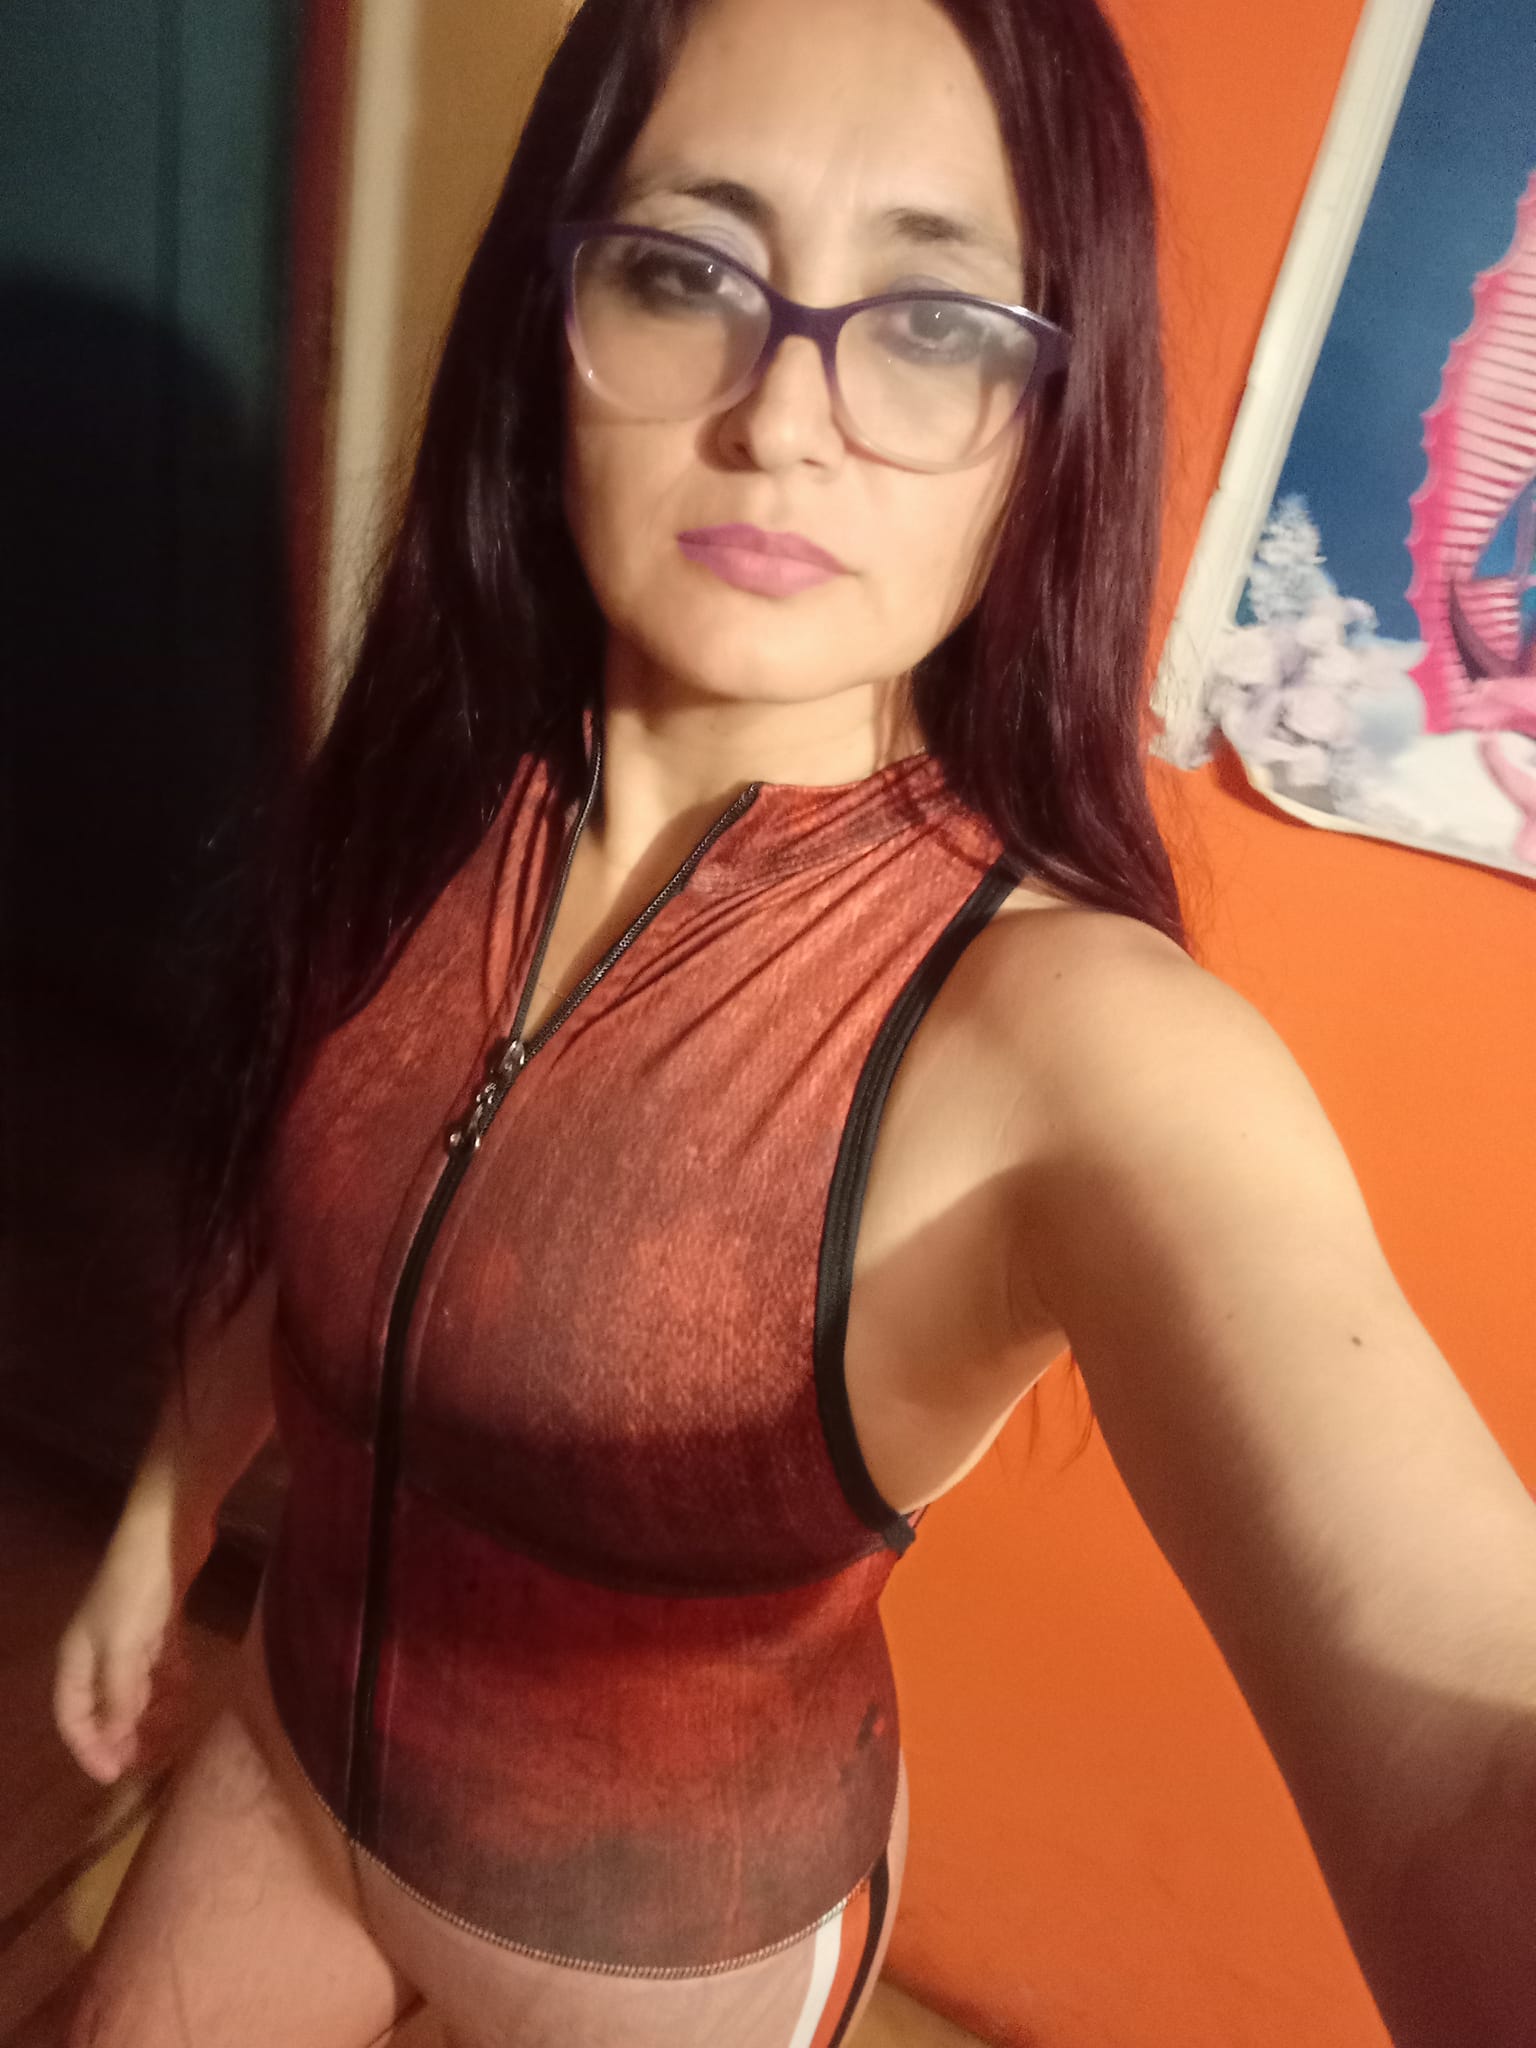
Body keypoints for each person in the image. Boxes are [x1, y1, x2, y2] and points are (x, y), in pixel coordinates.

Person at [51, 0, 1536, 2042]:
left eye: (929, 321)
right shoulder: (432, 794)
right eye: (685, 271)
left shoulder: (1069, 1041)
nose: (781, 417)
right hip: (294, 1761)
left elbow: (1466, 1748)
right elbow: (331, 1221)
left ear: (1052, 414)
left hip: (670, 1959)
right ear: (552, 314)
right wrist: (164, 1512)